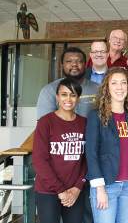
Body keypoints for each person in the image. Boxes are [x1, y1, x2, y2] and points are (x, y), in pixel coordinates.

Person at [85, 67, 128, 223]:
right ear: (107, 87)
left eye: (123, 83)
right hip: (106, 186)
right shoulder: (95, 115)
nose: (120, 87)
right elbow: (91, 152)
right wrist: (99, 188)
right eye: (114, 83)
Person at [33, 78, 87, 223]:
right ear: (57, 97)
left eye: (73, 95)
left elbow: (86, 160)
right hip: (48, 191)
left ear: (78, 99)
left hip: (75, 191)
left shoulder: (84, 123)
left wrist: (77, 187)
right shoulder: (46, 122)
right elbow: (39, 160)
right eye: (64, 94)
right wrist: (60, 191)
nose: (68, 99)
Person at [37, 47, 98, 119]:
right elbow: (45, 124)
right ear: (62, 65)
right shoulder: (49, 90)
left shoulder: (98, 89)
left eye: (79, 61)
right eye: (69, 61)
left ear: (85, 65)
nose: (74, 64)